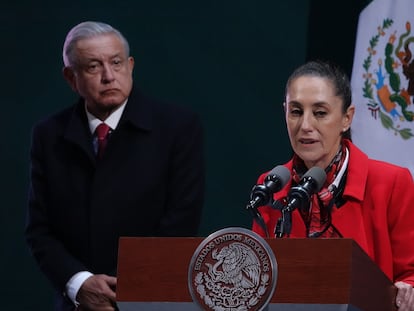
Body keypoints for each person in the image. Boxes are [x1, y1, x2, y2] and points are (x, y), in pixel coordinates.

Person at [25, 21, 205, 311]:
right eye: (94, 67)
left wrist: (126, 288)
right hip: (78, 304)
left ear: (131, 66)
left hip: (151, 299)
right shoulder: (49, 135)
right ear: (71, 78)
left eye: (117, 63)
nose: (109, 76)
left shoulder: (178, 127)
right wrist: (80, 283)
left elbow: (180, 223)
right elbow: (39, 230)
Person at [251, 60, 414, 310]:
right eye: (295, 111)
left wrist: (407, 289)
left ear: (346, 118)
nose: (305, 126)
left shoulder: (390, 183)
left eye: (320, 113)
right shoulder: (271, 185)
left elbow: (410, 274)